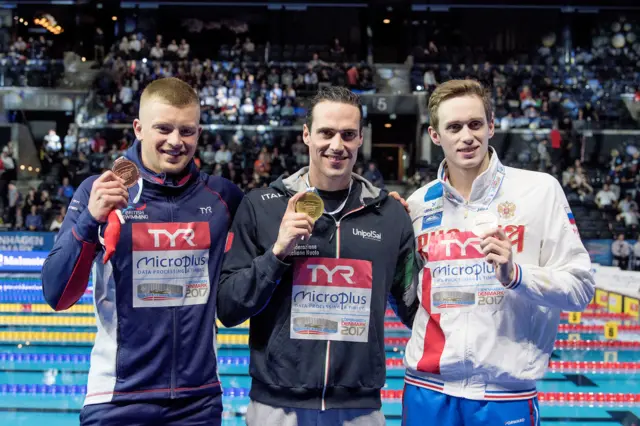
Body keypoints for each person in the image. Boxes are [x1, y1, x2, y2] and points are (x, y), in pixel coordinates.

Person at [41, 77, 244, 426]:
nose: (176, 142)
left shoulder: (223, 197)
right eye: (163, 128)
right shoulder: (100, 190)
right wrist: (90, 220)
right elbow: (57, 295)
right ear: (138, 128)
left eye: (188, 131)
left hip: (198, 402)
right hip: (117, 399)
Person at [217, 86, 418, 426]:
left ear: (360, 139)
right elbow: (228, 308)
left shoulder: (390, 216)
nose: (337, 145)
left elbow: (413, 305)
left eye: (348, 135)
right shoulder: (262, 208)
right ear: (307, 135)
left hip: (360, 409)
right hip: (276, 407)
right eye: (326, 133)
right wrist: (277, 253)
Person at [401, 80, 595, 426]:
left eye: (476, 124)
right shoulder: (418, 204)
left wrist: (517, 275)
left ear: (491, 125)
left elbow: (581, 288)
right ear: (434, 135)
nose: (467, 136)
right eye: (454, 127)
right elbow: (406, 296)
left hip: (504, 397)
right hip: (426, 393)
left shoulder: (539, 191)